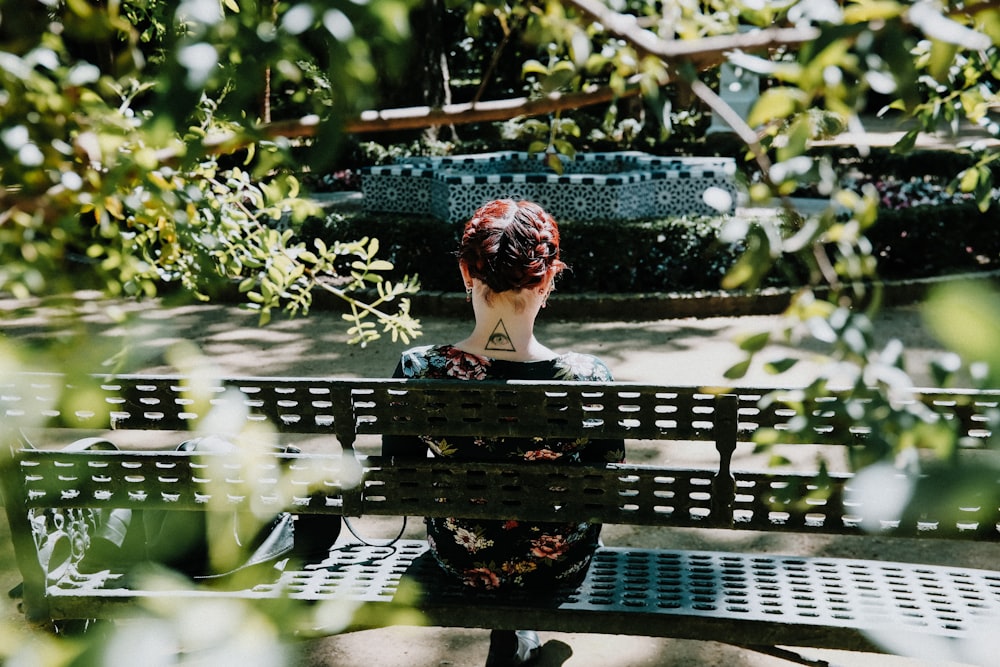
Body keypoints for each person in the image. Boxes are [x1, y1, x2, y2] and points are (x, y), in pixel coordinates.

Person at [383, 199, 626, 667]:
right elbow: (607, 469)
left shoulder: (418, 369)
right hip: (560, 561)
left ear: (465, 273)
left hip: (460, 558)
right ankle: (519, 632)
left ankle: (512, 633)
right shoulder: (589, 376)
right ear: (549, 277)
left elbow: (400, 470)